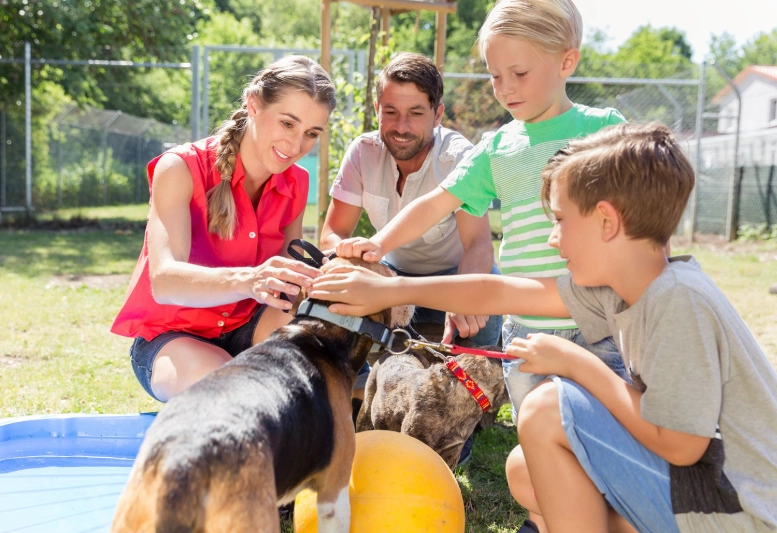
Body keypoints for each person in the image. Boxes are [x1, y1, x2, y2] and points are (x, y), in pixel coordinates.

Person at [309, 122, 777, 533]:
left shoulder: (677, 300)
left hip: (736, 512)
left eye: (559, 220)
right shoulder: (629, 288)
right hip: (704, 496)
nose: (553, 238)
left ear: (607, 222)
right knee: (526, 470)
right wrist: (394, 292)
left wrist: (576, 363)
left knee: (548, 408)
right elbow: (503, 292)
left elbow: (681, 444)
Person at [334, 0, 628, 421]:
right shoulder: (497, 148)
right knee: (539, 430)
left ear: (567, 61)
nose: (505, 88)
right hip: (526, 327)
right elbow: (434, 203)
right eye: (494, 75)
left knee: (606, 429)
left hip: (599, 322)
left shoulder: (604, 129)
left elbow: (641, 216)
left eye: (519, 74)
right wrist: (377, 244)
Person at [111, 55, 336, 403]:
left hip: (250, 326)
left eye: (311, 134)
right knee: (236, 396)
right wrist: (250, 280)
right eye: (287, 124)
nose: (295, 147)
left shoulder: (297, 182)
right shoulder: (181, 168)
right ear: (254, 104)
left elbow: (286, 289)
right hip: (173, 337)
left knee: (315, 385)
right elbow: (164, 281)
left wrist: (331, 278)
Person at [320, 52, 501, 347]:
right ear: (377, 108)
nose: (401, 127)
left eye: (416, 113)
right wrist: (356, 257)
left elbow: (479, 244)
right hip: (391, 274)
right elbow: (331, 235)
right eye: (390, 112)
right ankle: (357, 388)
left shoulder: (458, 157)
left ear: (438, 114)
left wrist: (463, 295)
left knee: (480, 314)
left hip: (456, 275)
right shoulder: (362, 152)